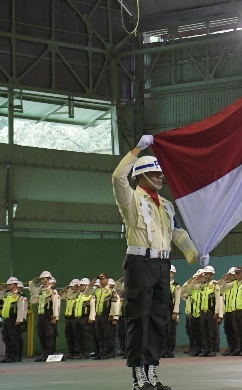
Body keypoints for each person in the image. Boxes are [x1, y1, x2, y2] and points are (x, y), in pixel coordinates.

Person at [114, 135, 199, 390]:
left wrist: (193, 253)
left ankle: (152, 372)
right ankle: (138, 376)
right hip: (139, 263)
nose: (161, 178)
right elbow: (118, 176)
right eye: (155, 173)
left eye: (161, 174)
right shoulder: (131, 199)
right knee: (138, 319)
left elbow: (177, 233)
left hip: (162, 266)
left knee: (157, 320)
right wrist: (139, 148)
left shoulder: (167, 206)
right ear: (141, 175)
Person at [29, 271, 60, 362]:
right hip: (41, 315)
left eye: (43, 278)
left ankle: (49, 353)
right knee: (41, 334)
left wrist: (55, 317)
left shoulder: (53, 291)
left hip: (48, 316)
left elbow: (56, 304)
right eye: (42, 279)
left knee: (49, 335)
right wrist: (32, 283)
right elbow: (32, 290)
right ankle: (44, 353)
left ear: (48, 279)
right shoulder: (41, 290)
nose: (42, 280)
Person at [221, 266, 242, 356]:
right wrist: (224, 279)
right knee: (237, 330)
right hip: (234, 310)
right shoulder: (235, 283)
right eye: (235, 274)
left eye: (238, 273)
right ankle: (238, 348)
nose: (237, 275)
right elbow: (223, 288)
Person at [0, 277, 27, 363]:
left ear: (15, 285)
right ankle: (8, 356)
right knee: (6, 338)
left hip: (13, 319)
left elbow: (21, 309)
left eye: (10, 285)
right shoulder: (6, 295)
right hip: (5, 319)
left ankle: (16, 356)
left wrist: (19, 320)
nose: (8, 286)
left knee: (14, 339)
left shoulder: (19, 296)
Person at [161, 265, 181, 358]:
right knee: (163, 330)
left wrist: (175, 312)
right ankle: (164, 349)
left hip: (171, 310)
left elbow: (177, 300)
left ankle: (170, 350)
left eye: (170, 272)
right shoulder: (162, 285)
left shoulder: (176, 286)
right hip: (163, 310)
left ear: (173, 274)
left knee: (170, 331)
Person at [73, 278, 94, 359]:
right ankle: (81, 352)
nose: (80, 287)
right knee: (78, 336)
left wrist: (91, 317)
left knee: (86, 336)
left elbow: (92, 307)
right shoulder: (78, 295)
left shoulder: (90, 295)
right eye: (80, 285)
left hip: (85, 318)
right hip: (77, 318)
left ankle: (86, 353)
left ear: (87, 286)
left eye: (82, 285)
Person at [61, 279, 81, 359]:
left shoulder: (79, 294)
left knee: (76, 336)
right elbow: (61, 295)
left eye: (73, 286)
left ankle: (77, 352)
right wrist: (66, 288)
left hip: (75, 318)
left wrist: (76, 290)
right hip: (68, 318)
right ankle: (71, 352)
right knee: (69, 336)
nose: (72, 288)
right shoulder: (69, 294)